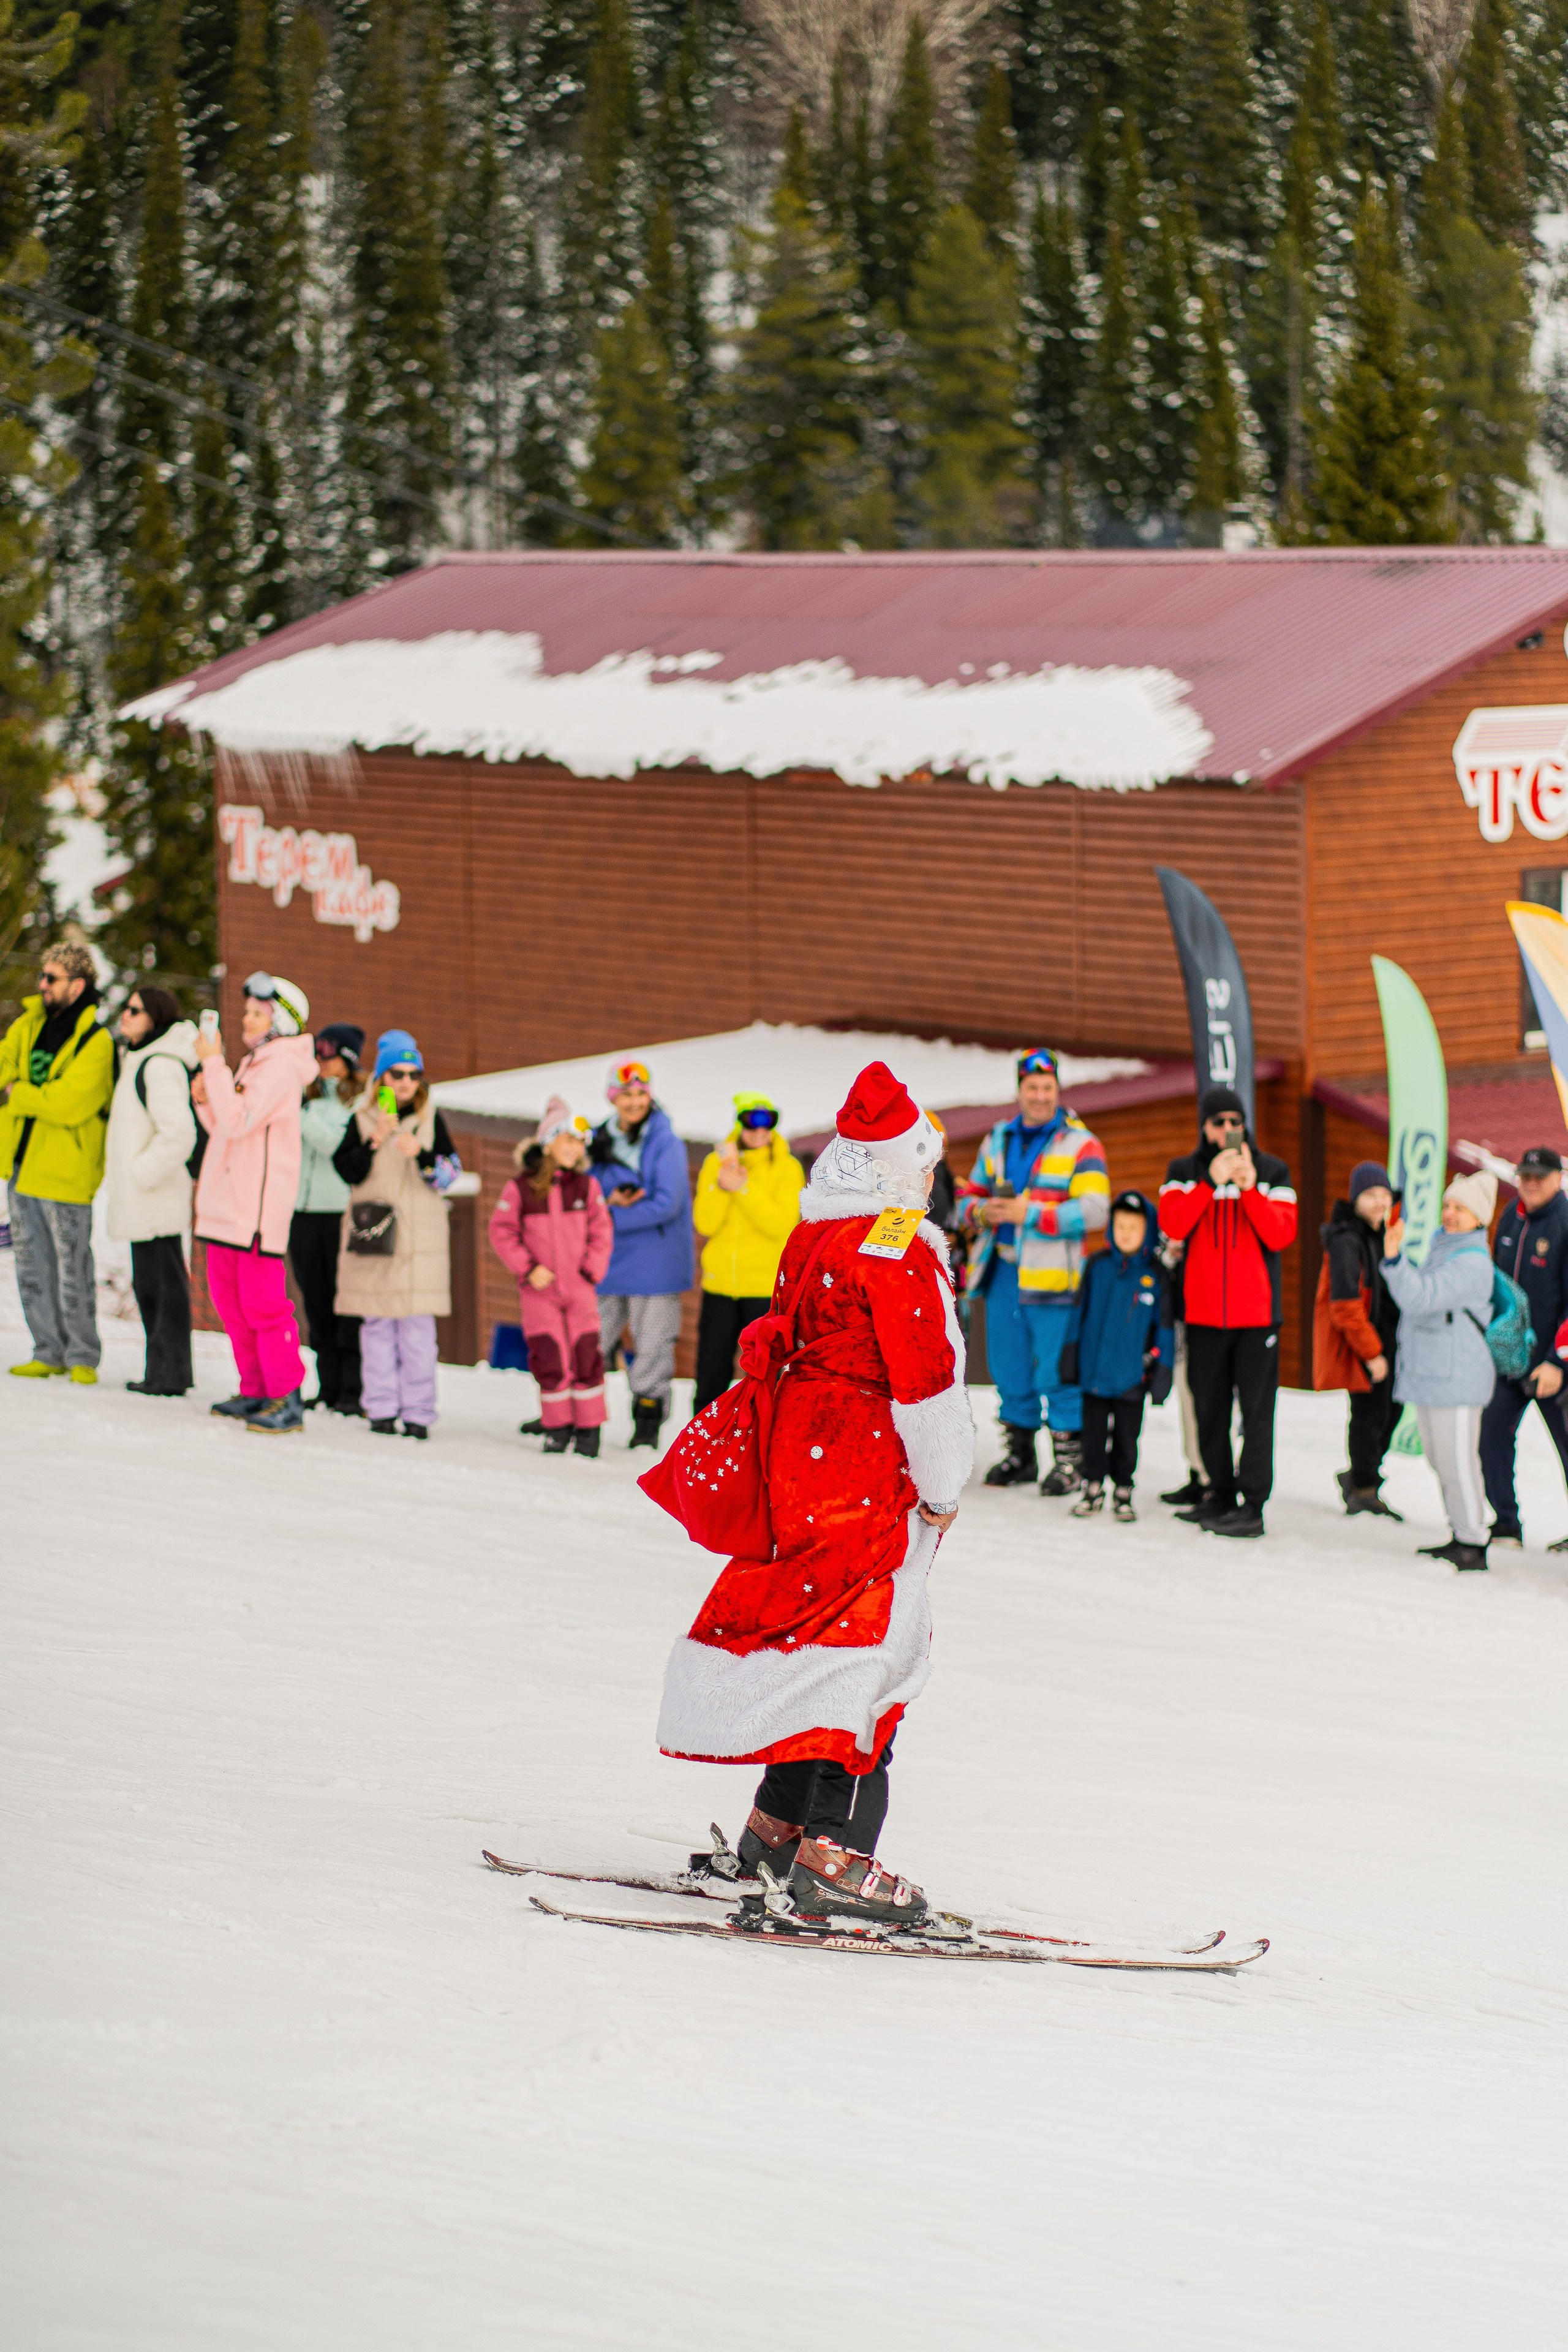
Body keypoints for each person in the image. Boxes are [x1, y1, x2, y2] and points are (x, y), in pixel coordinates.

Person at [656, 1061, 973, 1926]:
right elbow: (927, 1382)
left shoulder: (812, 1234)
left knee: (812, 1638)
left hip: (800, 1467)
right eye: (926, 1160)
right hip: (869, 1476)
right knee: (865, 1656)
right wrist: (945, 1485)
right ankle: (833, 1851)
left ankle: (776, 1829)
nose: (932, 1177)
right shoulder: (899, 1248)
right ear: (902, 1161)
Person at [958, 1047, 1110, 1496]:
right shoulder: (999, 1139)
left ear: (1058, 1091)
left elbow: (1097, 1210)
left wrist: (1032, 1213)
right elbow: (969, 1201)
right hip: (1001, 1270)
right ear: (1020, 1090)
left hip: (1053, 1278)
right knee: (1010, 1368)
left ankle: (1069, 1460)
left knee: (1057, 1370)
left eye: (1047, 1088)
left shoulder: (1082, 1143)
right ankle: (1020, 1454)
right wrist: (986, 1211)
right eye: (1032, 1088)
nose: (1039, 1096)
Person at [1157, 1085, 1298, 1539]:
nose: (1228, 1130)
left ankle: (1252, 1505)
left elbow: (1280, 1235)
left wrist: (1249, 1189)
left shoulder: (1273, 1170)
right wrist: (1208, 1183)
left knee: (1256, 1415)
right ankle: (1218, 1494)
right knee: (1210, 1411)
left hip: (1257, 1320)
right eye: (1219, 1122)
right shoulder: (1185, 1171)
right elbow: (1173, 1223)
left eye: (1235, 1122)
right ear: (1205, 1126)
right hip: (1202, 1317)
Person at [194, 971, 318, 1433]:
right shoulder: (255, 1064)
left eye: (256, 1013)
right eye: (246, 1011)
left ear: (279, 1021)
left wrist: (213, 1067)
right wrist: (206, 1098)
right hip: (230, 1207)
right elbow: (226, 1126)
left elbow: (239, 1120)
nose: (244, 1019)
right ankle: (256, 1389)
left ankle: (286, 1395)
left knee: (264, 1306)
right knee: (232, 1304)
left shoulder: (281, 1066)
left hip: (256, 1213)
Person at [333, 1029, 458, 1439]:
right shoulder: (363, 1120)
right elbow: (346, 1170)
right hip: (377, 1239)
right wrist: (375, 1140)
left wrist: (420, 1154)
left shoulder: (430, 1120)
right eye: (397, 1074)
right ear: (382, 1079)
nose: (405, 1082)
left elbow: (448, 1174)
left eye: (413, 1074)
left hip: (421, 1242)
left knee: (418, 1332)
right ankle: (381, 1408)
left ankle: (419, 1413)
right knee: (378, 1327)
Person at [1, 941, 114, 1382]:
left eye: (52, 978)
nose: (42, 985)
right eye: (42, 976)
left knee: (73, 1271)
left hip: (67, 1172)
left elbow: (70, 1102)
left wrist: (20, 1094)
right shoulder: (27, 1026)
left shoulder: (96, 1040)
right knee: (31, 1267)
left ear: (78, 984)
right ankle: (46, 1351)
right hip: (22, 1167)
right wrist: (31, 1095)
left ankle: (82, 1355)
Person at [1381, 1172, 1498, 1571]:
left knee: (1459, 1463)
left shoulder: (1471, 1262)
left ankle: (1474, 1542)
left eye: (1460, 1209)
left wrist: (1395, 1259)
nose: (1449, 1214)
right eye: (1448, 1206)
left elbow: (1420, 1298)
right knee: (1441, 1459)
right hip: (1438, 1375)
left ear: (1478, 1218)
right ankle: (1461, 1532)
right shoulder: (1444, 1249)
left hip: (1459, 1378)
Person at [490, 1096, 614, 1455]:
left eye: (580, 1143)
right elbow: (501, 1231)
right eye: (569, 1140)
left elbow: (602, 1232)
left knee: (585, 1354)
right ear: (549, 1142)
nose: (576, 1150)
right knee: (551, 1356)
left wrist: (592, 1269)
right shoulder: (521, 1188)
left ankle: (589, 1429)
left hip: (579, 1289)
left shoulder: (587, 1188)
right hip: (539, 1291)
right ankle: (558, 1426)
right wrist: (528, 1269)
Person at [590, 1058, 694, 1450]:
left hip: (656, 1262)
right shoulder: (598, 1142)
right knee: (593, 1341)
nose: (634, 1102)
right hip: (607, 1262)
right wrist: (607, 1208)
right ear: (613, 1099)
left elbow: (667, 1203)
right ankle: (581, 1417)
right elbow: (583, 1195)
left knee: (652, 1347)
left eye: (641, 1094)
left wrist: (608, 1214)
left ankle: (647, 1421)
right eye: (626, 1095)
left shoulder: (667, 1143)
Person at [105, 983, 198, 1396]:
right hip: (146, 1199)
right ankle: (162, 1371)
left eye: (136, 1010)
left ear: (156, 1019)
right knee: (151, 1288)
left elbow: (179, 1135)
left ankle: (169, 1375)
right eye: (126, 1008)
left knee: (163, 1288)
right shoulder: (139, 1058)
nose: (125, 1015)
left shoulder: (160, 1064)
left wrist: (140, 1174)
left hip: (156, 1197)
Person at [1060, 1191, 1174, 1523]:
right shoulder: (1097, 1266)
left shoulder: (1156, 1276)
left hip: (1131, 1378)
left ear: (1147, 1232)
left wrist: (1162, 1372)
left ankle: (1123, 1489)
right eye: (1120, 1225)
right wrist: (1069, 1358)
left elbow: (1165, 1329)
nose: (1126, 1233)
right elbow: (1077, 1314)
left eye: (1134, 1227)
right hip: (1094, 1375)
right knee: (1093, 1437)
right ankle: (1093, 1486)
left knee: (1127, 1438)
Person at [690, 1092, 804, 1414]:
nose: (759, 1131)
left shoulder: (787, 1167)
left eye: (768, 1122)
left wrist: (743, 1189)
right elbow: (705, 1223)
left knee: (763, 1374)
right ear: (739, 1123)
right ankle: (700, 1443)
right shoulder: (717, 1162)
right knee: (710, 1373)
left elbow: (781, 1224)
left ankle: (757, 1441)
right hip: (720, 1287)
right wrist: (724, 1186)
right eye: (750, 1122)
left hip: (763, 1290)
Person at [1480, 1145, 1568, 1551]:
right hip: (1511, 1362)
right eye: (1524, 1177)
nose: (1530, 1185)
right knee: (1492, 1435)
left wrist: (1556, 1362)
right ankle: (1505, 1524)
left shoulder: (1564, 1224)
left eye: (1538, 1178)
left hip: (1555, 1366)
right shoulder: (1510, 1219)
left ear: (1558, 1179)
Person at [1312, 1160, 1401, 1518]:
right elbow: (1345, 1305)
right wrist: (1373, 1353)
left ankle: (1361, 1477)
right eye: (1370, 1195)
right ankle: (1363, 1488)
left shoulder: (1380, 1235)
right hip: (1366, 1345)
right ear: (1355, 1199)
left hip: (1385, 1341)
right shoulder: (1347, 1240)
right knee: (1370, 1415)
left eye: (1384, 1194)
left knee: (1387, 1412)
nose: (1380, 1202)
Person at [290, 1023, 366, 1415]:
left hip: (339, 1211)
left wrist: (301, 1115)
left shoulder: (358, 1103)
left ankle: (353, 1390)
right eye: (317, 1054)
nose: (321, 1062)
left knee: (345, 1304)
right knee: (315, 1303)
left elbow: (337, 1145)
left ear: (348, 1061)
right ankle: (328, 1385)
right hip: (301, 1213)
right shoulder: (308, 1097)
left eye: (330, 1055)